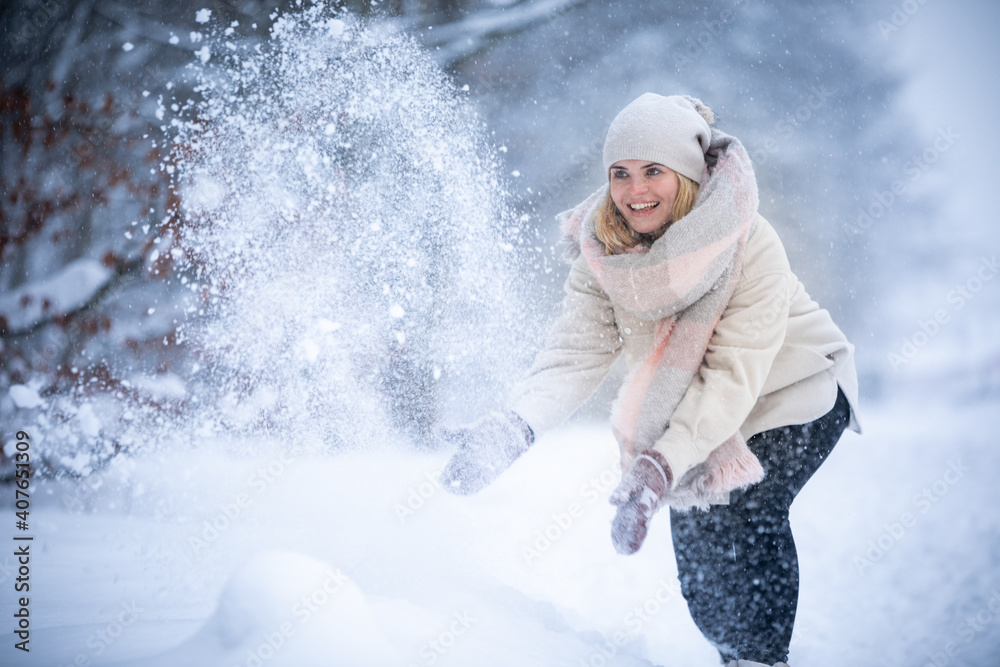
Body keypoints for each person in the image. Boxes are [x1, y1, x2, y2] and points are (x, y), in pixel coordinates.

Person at [437, 93, 860, 667]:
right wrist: (515, 426)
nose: (636, 190)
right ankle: (734, 653)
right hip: (700, 409)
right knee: (702, 564)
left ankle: (761, 659)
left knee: (742, 513)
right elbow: (576, 351)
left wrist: (661, 464)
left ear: (685, 175)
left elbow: (732, 374)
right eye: (621, 174)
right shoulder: (603, 252)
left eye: (654, 171)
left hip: (795, 394)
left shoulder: (748, 241)